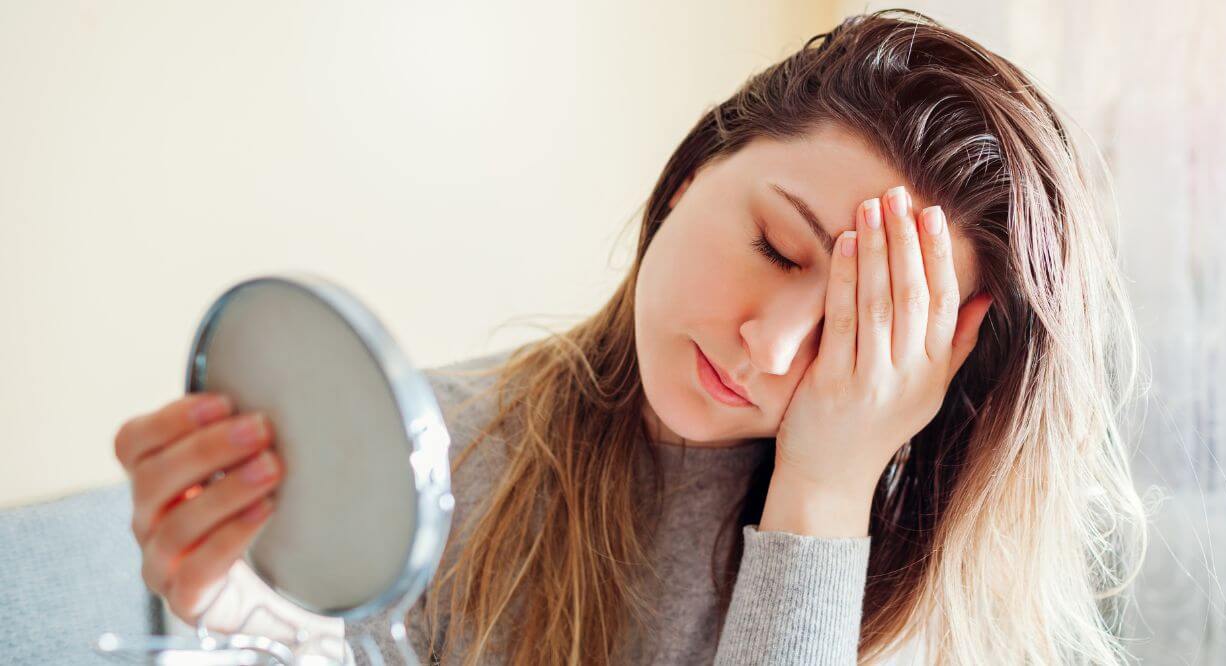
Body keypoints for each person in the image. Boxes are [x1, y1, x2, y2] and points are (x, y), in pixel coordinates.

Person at [112, 8, 1148, 665]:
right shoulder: (445, 452)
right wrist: (227, 613)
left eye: (853, 331)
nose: (772, 348)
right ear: (694, 171)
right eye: (778, 248)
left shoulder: (923, 587)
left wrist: (821, 505)